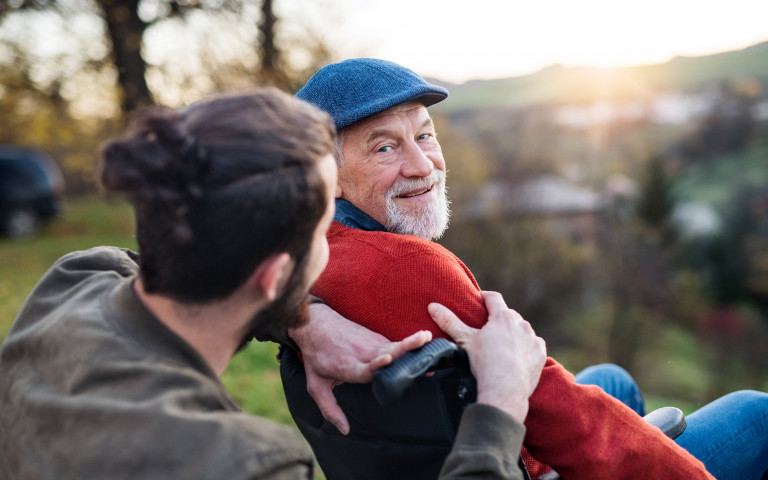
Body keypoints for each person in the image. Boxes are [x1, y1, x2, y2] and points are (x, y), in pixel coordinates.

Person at [0, 88, 547, 480]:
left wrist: (305, 321)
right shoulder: (240, 461)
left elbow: (145, 266)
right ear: (274, 274)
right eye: (321, 233)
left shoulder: (75, 279)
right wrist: (498, 406)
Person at [280, 58, 768, 480]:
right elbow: (561, 415)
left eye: (424, 135)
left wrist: (304, 316)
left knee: (612, 378)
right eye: (384, 147)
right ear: (327, 174)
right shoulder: (407, 268)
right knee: (756, 412)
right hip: (513, 462)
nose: (422, 165)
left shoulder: (292, 257)